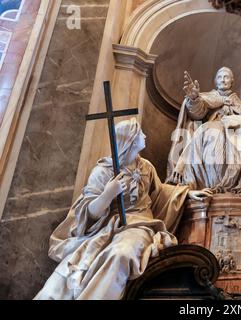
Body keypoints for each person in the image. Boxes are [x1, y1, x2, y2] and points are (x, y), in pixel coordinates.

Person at [34, 118, 212, 300]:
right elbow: (88, 213)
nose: (145, 135)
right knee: (80, 262)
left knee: (121, 253)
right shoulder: (103, 171)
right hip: (107, 228)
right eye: (140, 133)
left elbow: (160, 192)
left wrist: (187, 194)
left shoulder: (146, 167)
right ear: (130, 140)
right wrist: (107, 195)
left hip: (141, 226)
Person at [167, 67, 241, 181]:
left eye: (226, 77)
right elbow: (196, 115)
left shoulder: (239, 103)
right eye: (220, 77)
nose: (223, 80)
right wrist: (194, 99)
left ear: (232, 81)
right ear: (216, 81)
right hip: (214, 126)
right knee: (210, 132)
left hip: (236, 130)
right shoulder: (206, 97)